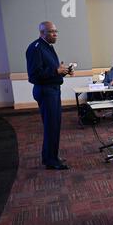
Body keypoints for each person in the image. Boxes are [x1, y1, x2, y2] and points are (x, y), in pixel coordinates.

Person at [26, 21, 74, 170]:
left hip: (53, 90)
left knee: (55, 125)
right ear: (42, 33)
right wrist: (55, 72)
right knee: (51, 126)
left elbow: (53, 71)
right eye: (52, 31)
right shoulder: (36, 48)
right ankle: (50, 160)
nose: (55, 34)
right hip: (46, 92)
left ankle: (52, 156)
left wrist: (64, 72)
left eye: (56, 31)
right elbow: (34, 76)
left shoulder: (48, 47)